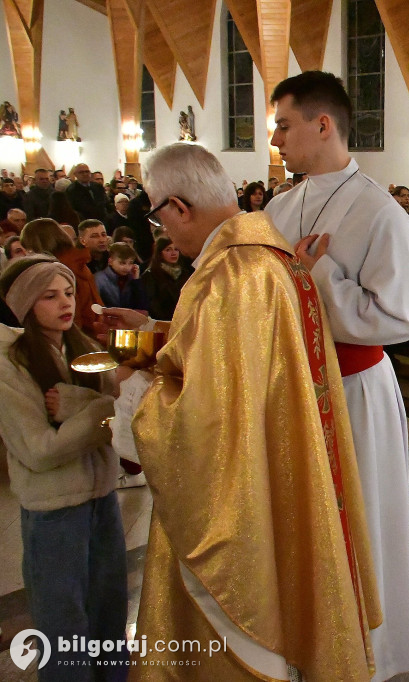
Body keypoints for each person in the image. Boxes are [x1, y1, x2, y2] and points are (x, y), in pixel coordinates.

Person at [108, 142, 380, 679]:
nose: (162, 231)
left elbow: (203, 414)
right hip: (276, 456)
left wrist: (128, 386)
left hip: (244, 487)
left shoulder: (227, 275)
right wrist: (148, 334)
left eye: (158, 216)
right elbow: (230, 359)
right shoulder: (270, 258)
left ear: (178, 207)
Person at [265, 71, 409, 680]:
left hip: (354, 391)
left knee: (361, 525)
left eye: (284, 125)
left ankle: (368, 655)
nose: (276, 139)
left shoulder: (382, 213)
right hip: (292, 389)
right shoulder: (280, 207)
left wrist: (321, 275)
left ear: (323, 124)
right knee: (301, 525)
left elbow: (401, 317)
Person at [0, 255, 128, 678]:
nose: (65, 303)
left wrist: (83, 406)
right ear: (24, 304)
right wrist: (100, 412)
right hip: (54, 511)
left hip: (102, 498)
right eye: (49, 296)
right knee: (64, 624)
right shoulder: (10, 363)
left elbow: (121, 414)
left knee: (109, 610)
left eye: (69, 293)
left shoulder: (84, 348)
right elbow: (39, 450)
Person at [20, 218, 106, 340]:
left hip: (78, 339)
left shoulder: (58, 270)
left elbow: (73, 318)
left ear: (35, 246)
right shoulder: (77, 262)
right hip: (94, 333)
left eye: (28, 250)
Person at [140, 235, 191, 319]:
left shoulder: (185, 273)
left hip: (184, 319)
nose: (173, 253)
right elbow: (151, 303)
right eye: (168, 250)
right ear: (159, 253)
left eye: (176, 249)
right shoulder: (150, 275)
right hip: (163, 321)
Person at [95, 241, 146, 309]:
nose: (127, 267)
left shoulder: (131, 278)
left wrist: (136, 280)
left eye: (130, 263)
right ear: (110, 261)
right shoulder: (98, 279)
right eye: (122, 263)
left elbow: (142, 306)